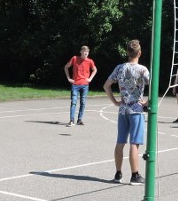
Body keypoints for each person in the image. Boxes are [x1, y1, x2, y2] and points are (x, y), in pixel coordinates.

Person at [103, 39, 150, 185]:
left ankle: (118, 173)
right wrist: (147, 102)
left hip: (123, 109)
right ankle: (135, 175)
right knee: (134, 143)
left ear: (127, 52)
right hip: (136, 109)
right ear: (139, 53)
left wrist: (115, 102)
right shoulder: (142, 70)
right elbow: (153, 86)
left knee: (120, 141)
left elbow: (106, 85)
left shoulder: (119, 68)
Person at [64, 45, 97, 127]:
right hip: (75, 84)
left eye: (87, 52)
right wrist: (69, 78)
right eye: (84, 51)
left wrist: (90, 79)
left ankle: (79, 120)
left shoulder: (90, 61)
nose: (86, 53)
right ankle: (71, 120)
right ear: (81, 52)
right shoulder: (75, 58)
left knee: (83, 103)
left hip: (85, 85)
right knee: (74, 102)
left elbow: (95, 70)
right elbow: (66, 67)